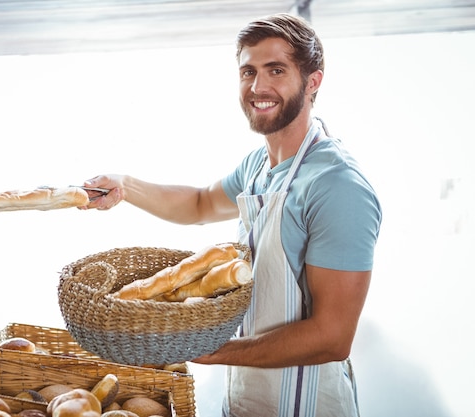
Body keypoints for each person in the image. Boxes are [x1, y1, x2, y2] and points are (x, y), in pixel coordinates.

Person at [79, 12, 382, 417]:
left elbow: (333, 336)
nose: (258, 87)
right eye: (248, 71)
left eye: (276, 70)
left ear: (313, 82)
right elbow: (201, 203)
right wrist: (125, 186)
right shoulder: (259, 165)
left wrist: (215, 350)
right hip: (245, 400)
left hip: (306, 407)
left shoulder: (337, 185)